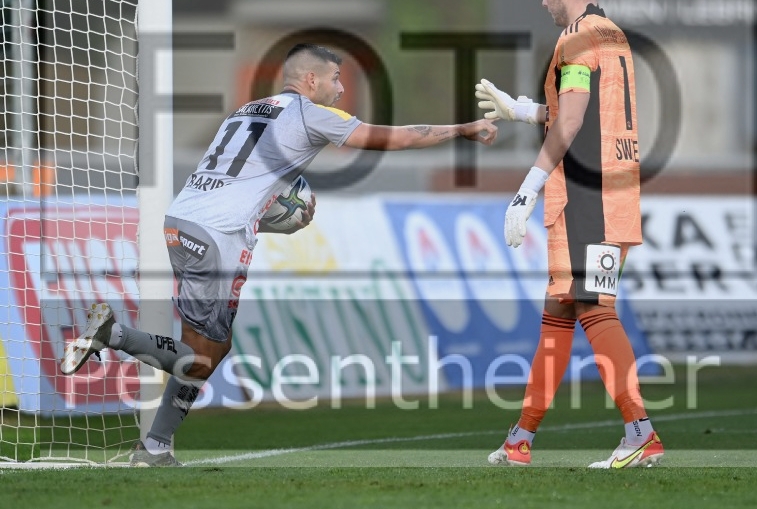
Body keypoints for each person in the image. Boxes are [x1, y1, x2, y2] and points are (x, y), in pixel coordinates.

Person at [61, 43, 497, 466]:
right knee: (205, 357)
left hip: (183, 223)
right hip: (218, 236)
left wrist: (270, 216)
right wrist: (462, 130)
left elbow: (239, 181)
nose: (341, 88)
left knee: (208, 348)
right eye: (336, 78)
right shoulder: (310, 113)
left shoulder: (245, 110)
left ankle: (155, 447)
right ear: (311, 80)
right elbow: (394, 138)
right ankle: (115, 338)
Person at [476, 0, 664, 468]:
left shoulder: (577, 36)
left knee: (593, 307)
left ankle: (640, 431)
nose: (543, 2)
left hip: (589, 196)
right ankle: (520, 439)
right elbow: (582, 109)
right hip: (608, 191)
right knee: (559, 311)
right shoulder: (610, 34)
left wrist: (527, 186)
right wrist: (523, 110)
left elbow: (574, 121)